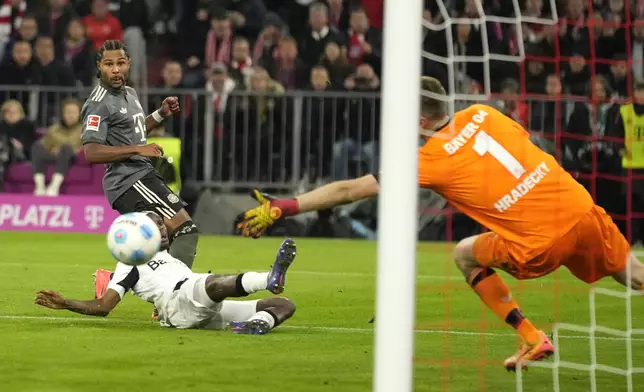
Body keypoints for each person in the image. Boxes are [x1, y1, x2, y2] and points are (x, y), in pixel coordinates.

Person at [237, 76, 644, 370]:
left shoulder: (427, 160)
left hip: (540, 240)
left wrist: (285, 207)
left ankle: (533, 337)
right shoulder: (486, 112)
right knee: (634, 274)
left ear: (417, 121)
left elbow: (349, 190)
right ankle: (536, 340)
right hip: (578, 207)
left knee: (465, 255)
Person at [36, 212, 297, 335]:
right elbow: (105, 306)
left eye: (161, 224)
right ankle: (268, 278)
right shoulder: (130, 264)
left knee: (283, 304)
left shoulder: (170, 259)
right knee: (209, 283)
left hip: (197, 306)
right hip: (176, 304)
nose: (161, 229)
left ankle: (257, 324)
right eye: (152, 227)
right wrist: (66, 303)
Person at [80, 40, 199, 272]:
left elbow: (135, 130)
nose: (116, 69)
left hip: (140, 176)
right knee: (185, 230)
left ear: (128, 64)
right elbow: (91, 152)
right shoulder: (97, 104)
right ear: (99, 66)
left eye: (121, 63)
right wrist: (137, 149)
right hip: (129, 180)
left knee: (160, 243)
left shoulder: (130, 93)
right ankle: (174, 295)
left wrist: (161, 113)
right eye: (109, 64)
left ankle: (117, 282)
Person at [31, 98, 83, 196]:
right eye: (68, 112)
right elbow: (45, 144)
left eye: (73, 112)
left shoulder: (85, 129)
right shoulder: (53, 129)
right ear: (63, 114)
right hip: (54, 155)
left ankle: (54, 186)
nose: (70, 115)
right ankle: (40, 187)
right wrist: (52, 149)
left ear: (79, 114)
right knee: (36, 146)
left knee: (66, 148)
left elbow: (86, 146)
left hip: (72, 157)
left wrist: (73, 149)